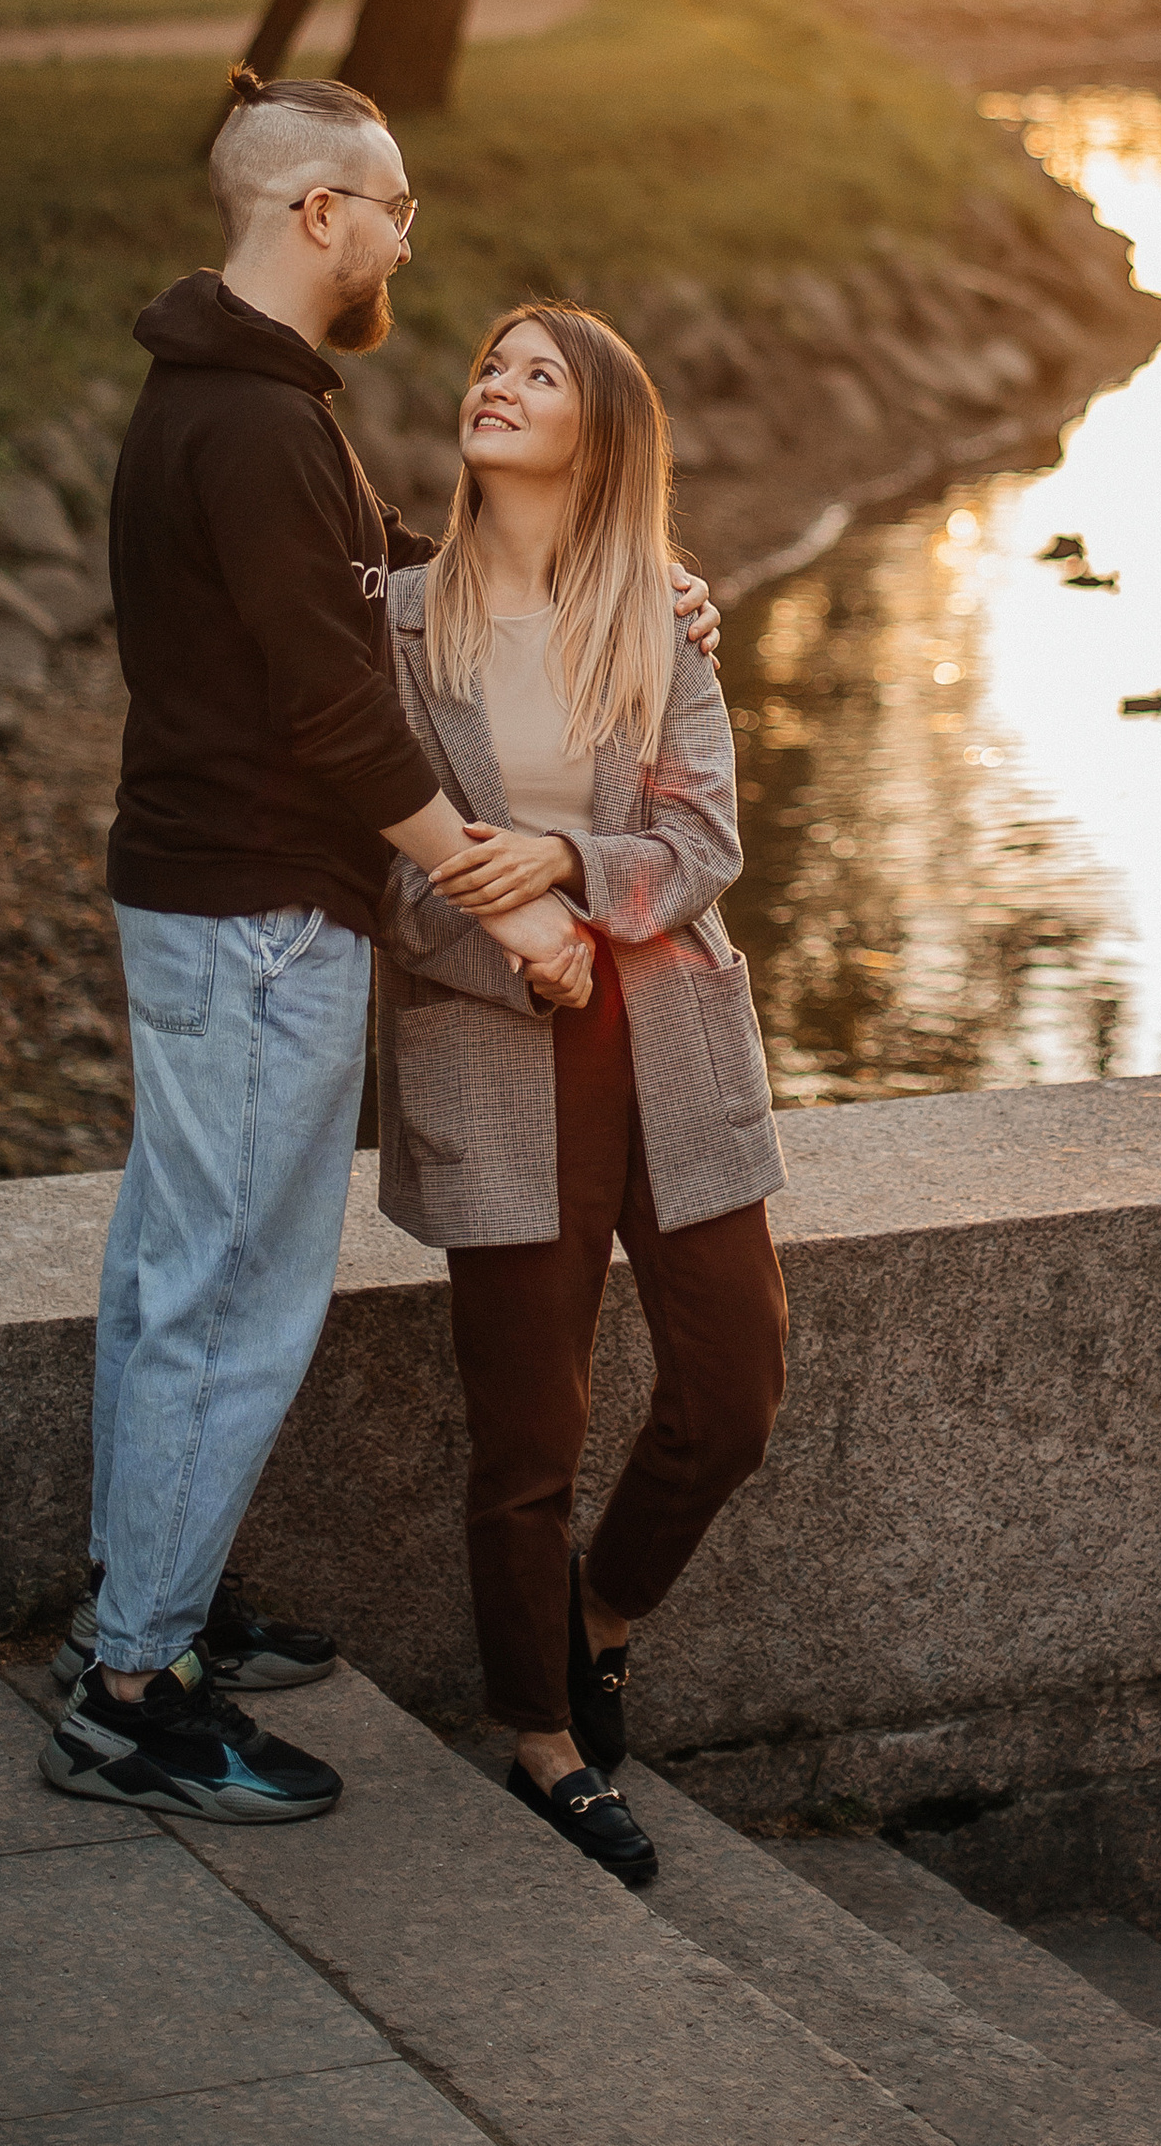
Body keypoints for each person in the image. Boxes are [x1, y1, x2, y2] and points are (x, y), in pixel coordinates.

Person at [41, 71, 716, 1825]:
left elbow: (378, 583)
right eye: (394, 203)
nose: (414, 234)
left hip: (214, 898)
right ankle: (130, 1695)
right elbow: (348, 718)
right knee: (232, 1304)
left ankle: (147, 1614)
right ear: (316, 214)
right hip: (256, 910)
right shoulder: (253, 425)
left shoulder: (246, 402)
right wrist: (518, 905)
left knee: (163, 1277)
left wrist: (620, 575)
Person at [377, 302, 787, 1889]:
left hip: (670, 1034)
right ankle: (541, 1738)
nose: (499, 384)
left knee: (735, 1386)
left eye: (539, 375)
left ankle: (599, 1615)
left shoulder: (658, 620)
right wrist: (513, 952)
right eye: (492, 365)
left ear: (600, 432)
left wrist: (566, 867)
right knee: (525, 1429)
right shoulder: (404, 624)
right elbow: (391, 876)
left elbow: (706, 844)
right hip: (494, 1044)